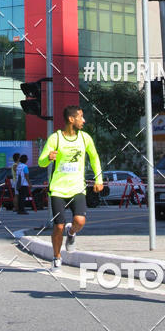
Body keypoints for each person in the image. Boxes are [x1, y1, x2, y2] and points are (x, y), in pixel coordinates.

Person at [39, 105, 103, 268]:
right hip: (58, 189)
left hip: (77, 188)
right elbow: (41, 161)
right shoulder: (56, 138)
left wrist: (98, 179)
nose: (84, 120)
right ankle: (56, 257)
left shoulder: (85, 138)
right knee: (58, 225)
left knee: (80, 221)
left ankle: (72, 232)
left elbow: (94, 158)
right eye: (81, 117)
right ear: (71, 119)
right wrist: (48, 158)